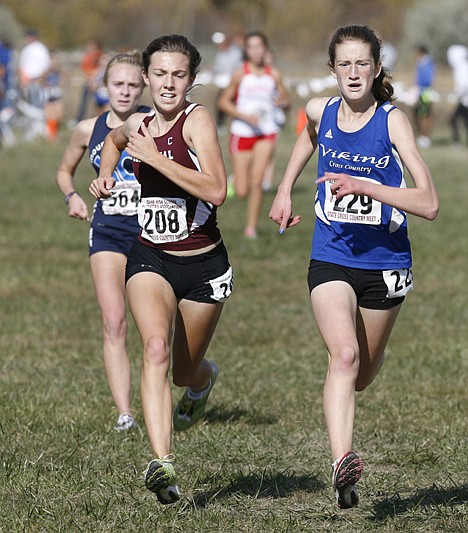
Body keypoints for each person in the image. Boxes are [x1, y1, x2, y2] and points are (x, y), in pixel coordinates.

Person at [269, 25, 438, 509]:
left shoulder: (393, 122)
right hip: (331, 256)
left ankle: (352, 392)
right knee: (342, 356)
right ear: (332, 69)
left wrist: (367, 187)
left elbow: (428, 203)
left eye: (363, 63)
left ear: (377, 68)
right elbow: (309, 136)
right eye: (345, 64)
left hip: (386, 263)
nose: (354, 72)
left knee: (360, 373)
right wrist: (285, 189)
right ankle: (343, 466)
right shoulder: (319, 110)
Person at [89, 34, 233, 505]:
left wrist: (153, 159)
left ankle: (203, 381)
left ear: (191, 80)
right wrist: (107, 172)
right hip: (150, 257)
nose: (168, 84)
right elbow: (113, 139)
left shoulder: (197, 121)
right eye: (160, 74)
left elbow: (216, 191)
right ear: (147, 77)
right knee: (154, 348)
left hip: (204, 265)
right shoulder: (137, 123)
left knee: (184, 371)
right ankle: (163, 465)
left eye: (179, 75)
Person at [56, 51, 149, 432]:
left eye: (132, 85)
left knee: (156, 331)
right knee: (114, 323)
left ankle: (190, 380)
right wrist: (72, 196)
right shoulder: (87, 129)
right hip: (108, 231)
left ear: (143, 85)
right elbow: (64, 170)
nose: (125, 92)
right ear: (104, 86)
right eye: (118, 84)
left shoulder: (155, 123)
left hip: (152, 233)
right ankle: (125, 412)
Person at [218, 31, 289, 239]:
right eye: (251, 47)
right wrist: (244, 116)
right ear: (246, 51)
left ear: (265, 48)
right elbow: (224, 102)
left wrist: (282, 102)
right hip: (242, 132)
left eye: (259, 46)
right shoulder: (241, 73)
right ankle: (235, 182)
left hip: (266, 132)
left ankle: (251, 227)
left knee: (257, 182)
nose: (256, 51)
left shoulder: (273, 74)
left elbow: (285, 97)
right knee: (242, 190)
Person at [18, 29, 51, 141]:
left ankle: (40, 130)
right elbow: (22, 66)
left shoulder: (41, 49)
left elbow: (46, 66)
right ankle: (31, 130)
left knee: (38, 105)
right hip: (28, 80)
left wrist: (40, 79)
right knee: (30, 106)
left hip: (37, 80)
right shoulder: (26, 50)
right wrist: (23, 80)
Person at [74, 39, 104, 124]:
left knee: (98, 103)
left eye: (92, 45)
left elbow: (99, 69)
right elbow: (84, 67)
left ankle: (98, 119)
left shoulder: (98, 55)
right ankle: (80, 119)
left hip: (96, 83)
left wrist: (94, 80)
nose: (89, 47)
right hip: (88, 81)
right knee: (84, 101)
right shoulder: (88, 56)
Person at [413, 45, 435, 148]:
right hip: (419, 91)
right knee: (417, 113)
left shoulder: (428, 63)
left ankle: (425, 137)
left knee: (424, 114)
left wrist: (419, 87)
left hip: (425, 92)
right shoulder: (420, 63)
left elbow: (427, 79)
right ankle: (421, 135)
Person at [447, 44, 468, 147]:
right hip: (463, 100)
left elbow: (464, 86)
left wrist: (457, 95)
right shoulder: (460, 67)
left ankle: (457, 142)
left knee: (453, 120)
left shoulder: (462, 68)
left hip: (465, 101)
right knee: (464, 121)